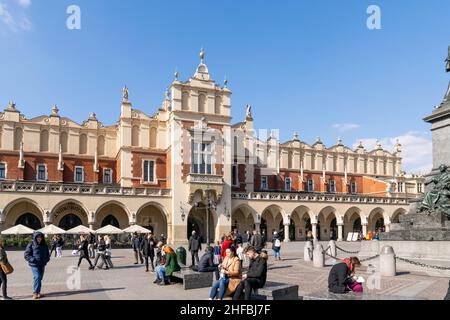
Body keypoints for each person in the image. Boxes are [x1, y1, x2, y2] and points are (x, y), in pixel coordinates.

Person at [24, 232, 51, 299]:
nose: (39, 238)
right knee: (37, 277)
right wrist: (33, 259)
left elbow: (47, 253)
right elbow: (26, 255)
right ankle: (35, 293)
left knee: (39, 278)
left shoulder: (44, 245)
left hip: (42, 264)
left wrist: (47, 259)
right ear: (35, 238)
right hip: (34, 264)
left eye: (40, 237)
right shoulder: (31, 245)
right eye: (38, 237)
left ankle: (38, 292)